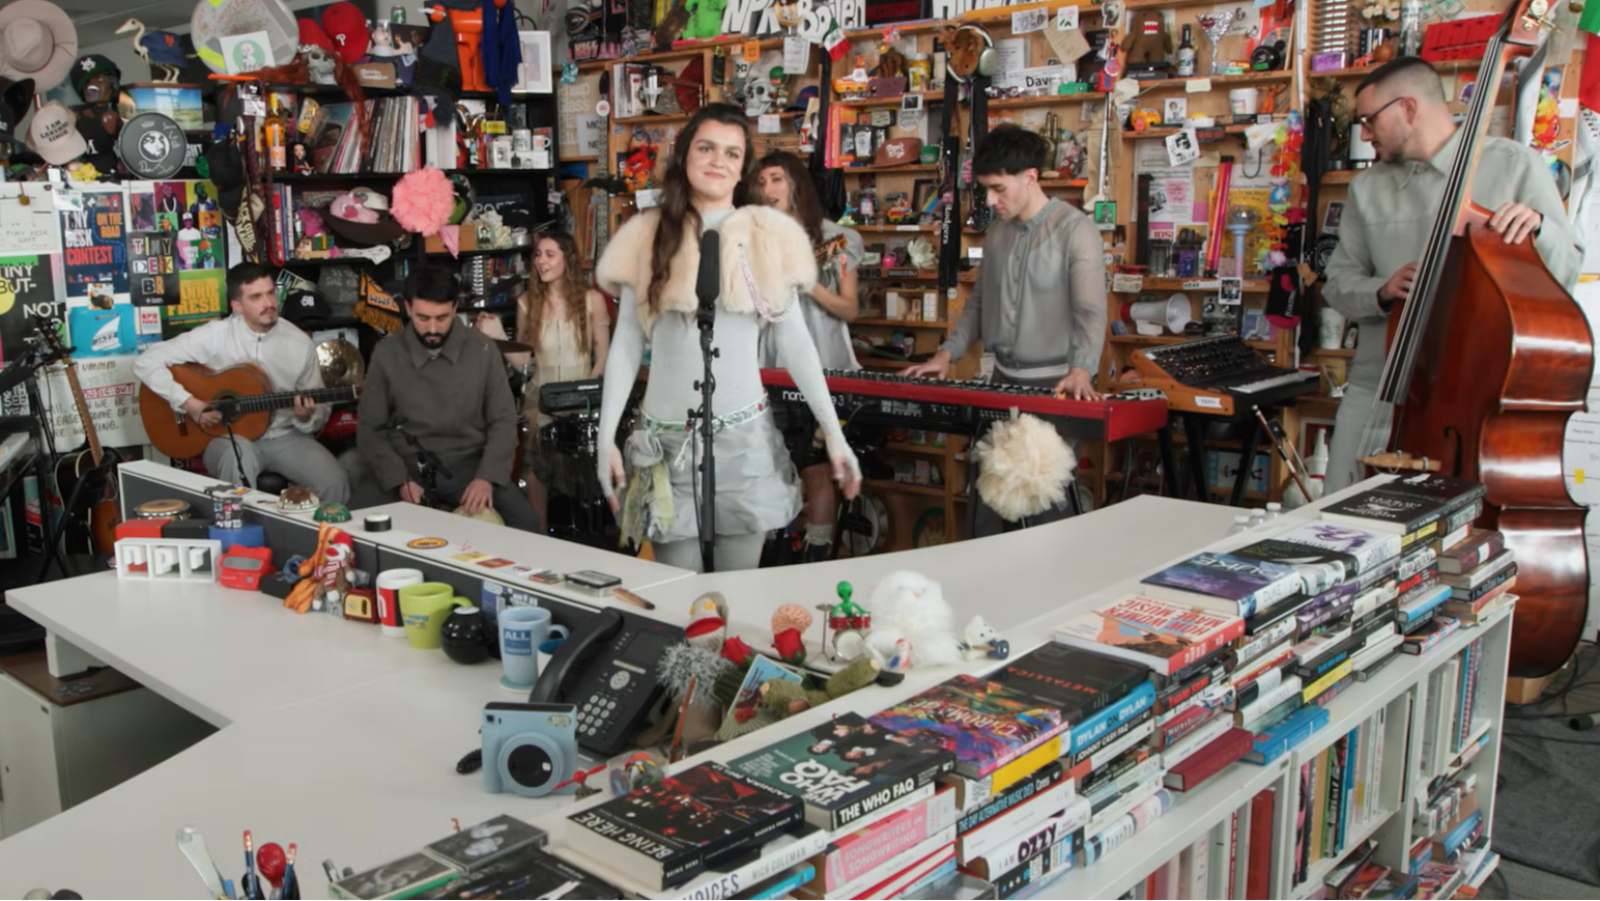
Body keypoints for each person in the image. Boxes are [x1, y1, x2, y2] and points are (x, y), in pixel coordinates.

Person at [594, 103, 862, 573]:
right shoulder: (646, 234)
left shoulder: (769, 236)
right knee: (681, 604)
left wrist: (835, 437)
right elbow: (626, 345)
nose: (718, 161)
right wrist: (605, 440)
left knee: (737, 602)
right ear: (685, 155)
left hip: (743, 442)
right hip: (665, 443)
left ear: (743, 169)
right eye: (707, 147)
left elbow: (798, 344)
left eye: (732, 153)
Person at [1321, 57, 1580, 493]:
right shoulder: (1366, 188)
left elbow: (1566, 273)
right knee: (1338, 516)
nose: (1363, 135)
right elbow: (1338, 283)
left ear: (1407, 108)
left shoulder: (1515, 166)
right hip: (1380, 389)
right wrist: (1381, 290)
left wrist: (1539, 227)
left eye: (1368, 121)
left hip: (1474, 396)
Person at [903, 124, 1107, 534]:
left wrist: (1083, 367)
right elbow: (980, 302)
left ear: (1030, 177)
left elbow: (1089, 308)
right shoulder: (998, 232)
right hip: (1001, 382)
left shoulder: (1075, 230)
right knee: (987, 508)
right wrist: (947, 354)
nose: (991, 200)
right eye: (986, 190)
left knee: (1043, 512)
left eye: (998, 189)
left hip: (1056, 386)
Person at [133, 262, 349, 502]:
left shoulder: (300, 343)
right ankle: (240, 536)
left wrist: (305, 417)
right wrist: (189, 403)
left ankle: (318, 539)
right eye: (256, 297)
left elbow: (319, 406)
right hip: (228, 436)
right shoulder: (214, 336)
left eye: (270, 293)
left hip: (285, 436)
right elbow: (146, 362)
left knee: (334, 482)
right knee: (237, 462)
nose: (268, 303)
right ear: (237, 306)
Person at [353, 264, 540, 532]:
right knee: (351, 526)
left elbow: (503, 421)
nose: (432, 328)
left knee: (526, 523)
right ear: (408, 308)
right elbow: (370, 429)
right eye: (422, 318)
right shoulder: (387, 353)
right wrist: (398, 479)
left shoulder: (483, 350)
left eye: (441, 318)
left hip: (468, 465)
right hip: (405, 465)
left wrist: (486, 478)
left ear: (455, 309)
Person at [753, 151, 863, 561]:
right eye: (762, 182)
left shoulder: (837, 239)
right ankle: (768, 560)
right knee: (767, 469)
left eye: (777, 179)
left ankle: (814, 564)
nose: (768, 190)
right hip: (768, 373)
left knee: (816, 470)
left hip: (825, 370)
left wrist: (807, 283)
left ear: (797, 183)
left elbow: (848, 309)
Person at [476, 231, 611, 528]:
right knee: (534, 472)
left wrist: (583, 394)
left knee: (588, 471)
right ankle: (540, 539)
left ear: (568, 259)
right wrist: (498, 337)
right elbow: (525, 363)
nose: (541, 261)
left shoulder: (592, 301)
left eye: (550, 254)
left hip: (584, 399)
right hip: (540, 401)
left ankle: (594, 534)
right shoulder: (526, 303)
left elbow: (603, 354)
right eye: (538, 254)